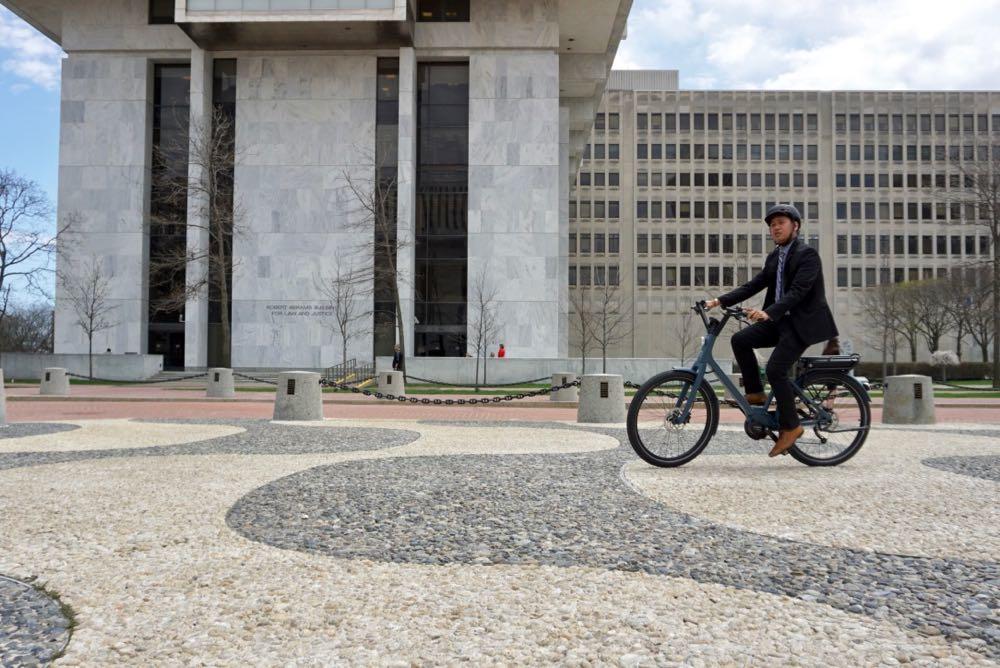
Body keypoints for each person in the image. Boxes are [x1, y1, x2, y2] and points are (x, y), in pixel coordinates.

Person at [705, 204, 838, 457]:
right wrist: (720, 301)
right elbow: (754, 284)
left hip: (802, 324)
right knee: (740, 339)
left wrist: (769, 312)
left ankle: (791, 426)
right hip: (780, 322)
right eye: (772, 225)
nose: (775, 228)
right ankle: (755, 394)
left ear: (795, 226)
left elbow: (798, 292)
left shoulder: (807, 255)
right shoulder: (775, 257)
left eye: (780, 223)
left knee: (776, 368)